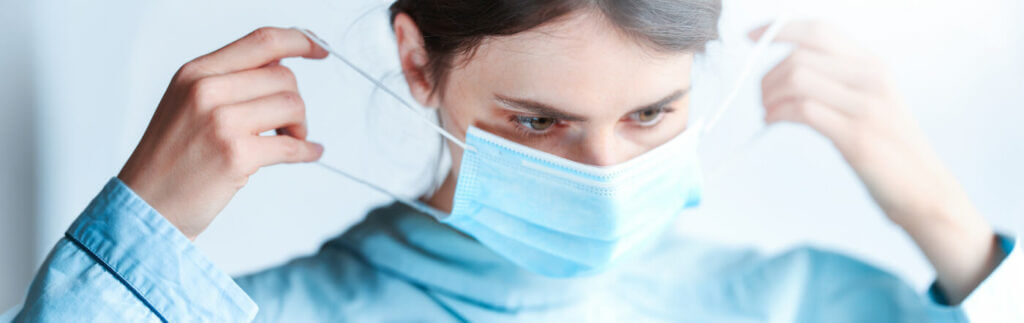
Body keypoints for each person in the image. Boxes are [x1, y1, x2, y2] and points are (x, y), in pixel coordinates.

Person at [6, 1, 1019, 322]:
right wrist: (143, 229)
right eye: (538, 122)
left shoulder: (808, 302)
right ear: (416, 62)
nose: (605, 168)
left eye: (652, 111)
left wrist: (945, 221)